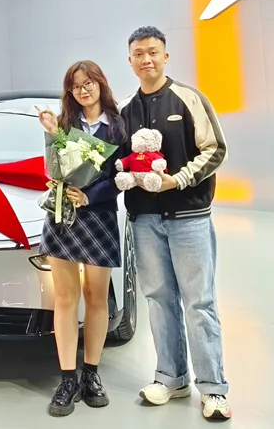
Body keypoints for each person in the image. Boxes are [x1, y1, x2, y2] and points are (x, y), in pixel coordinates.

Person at [117, 26, 232, 421]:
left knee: (199, 303)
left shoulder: (188, 98)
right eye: (138, 53)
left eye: (153, 52)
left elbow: (215, 149)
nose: (146, 59)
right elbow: (118, 161)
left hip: (189, 218)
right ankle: (171, 378)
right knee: (159, 299)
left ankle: (213, 388)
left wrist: (178, 180)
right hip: (145, 221)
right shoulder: (125, 110)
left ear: (165, 56)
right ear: (130, 61)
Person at [35, 60, 128, 417]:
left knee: (96, 297)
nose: (83, 90)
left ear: (100, 84)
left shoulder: (118, 126)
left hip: (98, 216)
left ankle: (91, 374)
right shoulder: (64, 124)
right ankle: (67, 379)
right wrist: (49, 133)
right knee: (65, 297)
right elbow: (52, 167)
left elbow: (120, 176)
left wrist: (90, 195)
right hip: (62, 216)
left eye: (88, 83)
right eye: (75, 86)